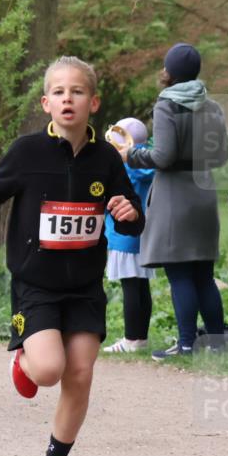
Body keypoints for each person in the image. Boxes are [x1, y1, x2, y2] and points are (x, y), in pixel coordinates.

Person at [0, 56, 144, 456]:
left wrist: (129, 214)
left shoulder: (106, 158)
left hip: (85, 286)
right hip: (36, 285)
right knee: (50, 370)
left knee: (81, 372)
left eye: (77, 92)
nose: (68, 98)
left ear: (94, 102)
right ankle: (24, 359)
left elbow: (130, 216)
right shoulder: (27, 152)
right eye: (59, 92)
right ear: (45, 102)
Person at [122, 43, 228, 360]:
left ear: (168, 71)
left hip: (174, 196)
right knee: (204, 275)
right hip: (204, 190)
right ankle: (217, 343)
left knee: (180, 274)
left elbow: (163, 156)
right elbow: (222, 155)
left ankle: (185, 344)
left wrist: (131, 155)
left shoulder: (166, 105)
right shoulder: (213, 107)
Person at [104, 117, 155, 353]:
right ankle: (140, 337)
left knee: (130, 287)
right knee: (141, 285)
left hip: (124, 232)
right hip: (144, 231)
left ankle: (132, 339)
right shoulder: (148, 160)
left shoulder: (125, 163)